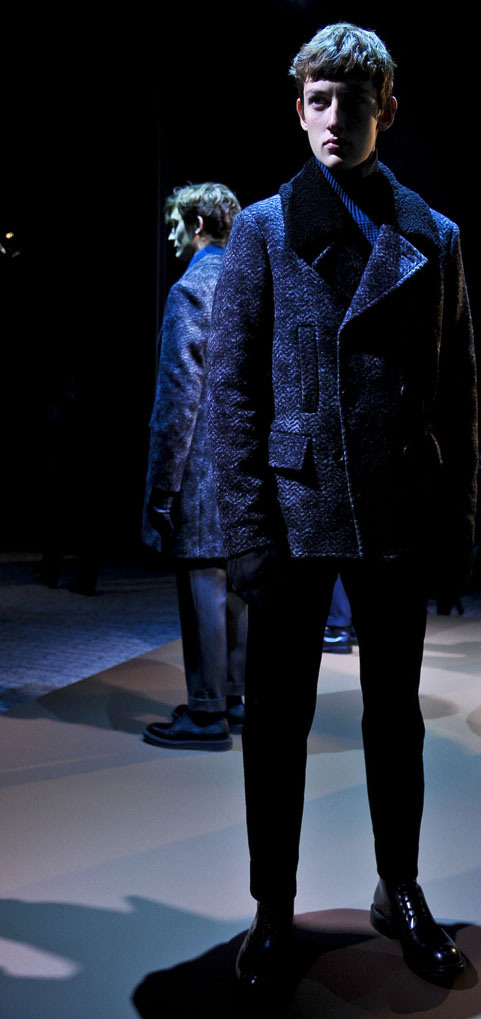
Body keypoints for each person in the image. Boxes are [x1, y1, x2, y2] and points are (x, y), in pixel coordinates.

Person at [206, 22, 477, 988]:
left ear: (386, 111)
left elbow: (458, 394)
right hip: (294, 509)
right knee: (276, 721)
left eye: (352, 101)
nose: (333, 118)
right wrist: (248, 532)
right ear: (298, 108)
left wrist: (457, 526)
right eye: (317, 100)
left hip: (397, 506)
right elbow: (231, 391)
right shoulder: (263, 229)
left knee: (395, 716)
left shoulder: (434, 234)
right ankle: (272, 906)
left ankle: (397, 887)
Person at [142, 182, 247, 752]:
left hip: (202, 470)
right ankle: (233, 697)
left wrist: (161, 491)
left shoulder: (190, 290)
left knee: (204, 583)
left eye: (176, 223)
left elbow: (177, 402)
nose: (170, 234)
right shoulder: (253, 281)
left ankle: (206, 714)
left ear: (198, 225)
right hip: (249, 469)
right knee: (238, 587)